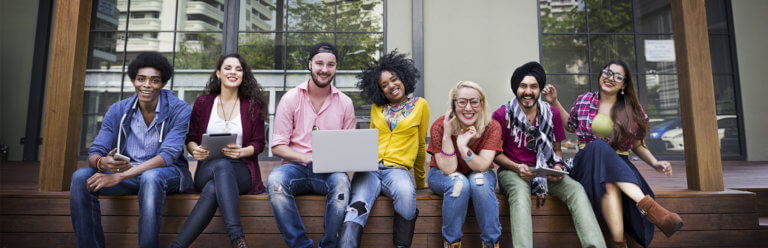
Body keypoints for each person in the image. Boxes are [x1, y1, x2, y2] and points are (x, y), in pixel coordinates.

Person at [546, 60, 683, 248]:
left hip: (619, 165)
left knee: (609, 182)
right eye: (607, 73)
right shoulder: (585, 99)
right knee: (599, 146)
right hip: (587, 165)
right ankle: (652, 209)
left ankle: (619, 244)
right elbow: (571, 124)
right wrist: (554, 101)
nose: (610, 78)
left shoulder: (633, 110)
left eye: (617, 76)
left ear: (624, 84)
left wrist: (655, 163)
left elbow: (638, 145)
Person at [69, 52, 193, 248]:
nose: (146, 85)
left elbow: (168, 156)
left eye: (154, 80)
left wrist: (118, 177)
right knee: (80, 178)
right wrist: (103, 163)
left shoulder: (179, 109)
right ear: (134, 81)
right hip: (126, 172)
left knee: (150, 177)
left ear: (162, 83)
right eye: (141, 79)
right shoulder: (118, 109)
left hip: (166, 173)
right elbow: (96, 150)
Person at [492, 62, 606, 248]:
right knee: (520, 197)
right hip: (512, 171)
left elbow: (557, 150)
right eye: (523, 86)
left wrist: (558, 166)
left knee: (576, 190)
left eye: (533, 86)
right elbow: (496, 153)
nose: (528, 91)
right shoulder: (501, 114)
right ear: (516, 89)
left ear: (539, 90)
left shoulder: (551, 113)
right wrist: (517, 167)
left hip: (544, 169)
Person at [168, 54, 268, 248]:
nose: (233, 72)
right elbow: (191, 138)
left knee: (214, 187)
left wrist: (241, 151)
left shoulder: (252, 105)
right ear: (218, 73)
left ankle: (176, 246)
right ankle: (237, 238)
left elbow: (259, 144)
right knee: (220, 166)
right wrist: (195, 150)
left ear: (243, 75)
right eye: (228, 68)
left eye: (238, 69)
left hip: (241, 170)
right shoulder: (203, 103)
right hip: (207, 168)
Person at [266, 42, 354, 248]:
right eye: (319, 63)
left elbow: (349, 148)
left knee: (342, 183)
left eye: (330, 64)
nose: (324, 69)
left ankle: (330, 245)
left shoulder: (345, 103)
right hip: (295, 168)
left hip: (329, 171)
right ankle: (301, 245)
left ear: (335, 67)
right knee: (275, 181)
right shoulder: (290, 99)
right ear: (310, 64)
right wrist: (305, 157)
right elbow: (277, 146)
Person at [338, 51, 429, 248]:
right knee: (356, 208)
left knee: (406, 192)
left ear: (403, 78)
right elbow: (370, 139)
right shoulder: (377, 107)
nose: (391, 86)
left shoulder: (420, 106)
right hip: (369, 169)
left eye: (394, 79)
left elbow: (421, 145)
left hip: (397, 170)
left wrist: (420, 181)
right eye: (384, 85)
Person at [427, 81, 502, 248]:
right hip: (442, 174)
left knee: (479, 182)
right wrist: (447, 134)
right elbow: (448, 169)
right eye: (462, 102)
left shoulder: (492, 126)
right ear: (454, 104)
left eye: (474, 101)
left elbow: (482, 166)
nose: (468, 108)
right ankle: (452, 244)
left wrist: (462, 147)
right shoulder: (439, 126)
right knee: (459, 183)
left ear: (482, 104)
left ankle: (491, 244)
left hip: (477, 172)